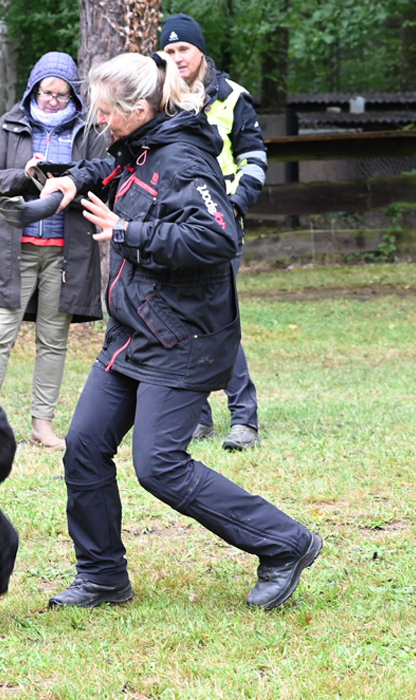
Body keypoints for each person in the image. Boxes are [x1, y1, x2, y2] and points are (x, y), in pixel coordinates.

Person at [34, 52, 321, 610]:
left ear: (139, 108)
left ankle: (285, 544)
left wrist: (128, 230)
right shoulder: (139, 145)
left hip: (183, 335)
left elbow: (218, 239)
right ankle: (102, 578)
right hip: (132, 332)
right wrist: (71, 183)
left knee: (159, 466)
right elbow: (112, 167)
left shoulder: (184, 159)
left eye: (104, 110)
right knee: (85, 448)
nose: (97, 119)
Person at [0, 52, 105, 450]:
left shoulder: (88, 130)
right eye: (47, 92)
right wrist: (24, 175)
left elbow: (104, 173)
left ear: (74, 97)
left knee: (54, 338)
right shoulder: (12, 124)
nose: (52, 100)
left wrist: (72, 181)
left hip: (67, 251)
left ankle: (42, 424)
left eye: (62, 96)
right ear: (34, 89)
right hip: (16, 246)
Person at [161, 13, 267, 451]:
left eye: (182, 48)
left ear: (200, 50)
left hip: (219, 227)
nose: (176, 57)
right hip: (173, 228)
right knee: (185, 321)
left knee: (216, 319)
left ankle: (244, 419)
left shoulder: (233, 97)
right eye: (168, 51)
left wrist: (235, 208)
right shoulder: (159, 97)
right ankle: (200, 419)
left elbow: (255, 161)